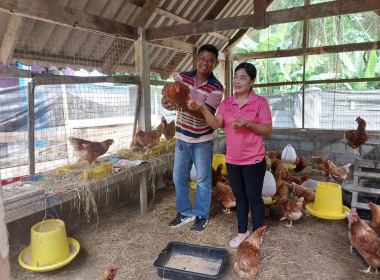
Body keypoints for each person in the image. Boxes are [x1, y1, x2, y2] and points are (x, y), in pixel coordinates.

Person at [187, 62, 272, 246]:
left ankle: (257, 234)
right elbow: (216, 124)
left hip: (254, 160)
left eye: (243, 77)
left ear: (252, 81)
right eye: (235, 76)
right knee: (240, 198)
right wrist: (203, 108)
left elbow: (267, 130)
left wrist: (247, 123)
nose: (237, 81)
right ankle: (242, 232)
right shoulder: (227, 103)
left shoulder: (260, 103)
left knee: (254, 198)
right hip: (233, 160)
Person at [162, 44, 224, 232]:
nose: (206, 63)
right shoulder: (183, 77)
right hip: (182, 136)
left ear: (215, 63)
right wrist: (166, 102)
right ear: (198, 58)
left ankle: (201, 215)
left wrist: (184, 104)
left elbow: (206, 115)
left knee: (203, 179)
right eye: (203, 58)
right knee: (178, 176)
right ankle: (184, 212)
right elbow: (169, 98)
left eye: (210, 60)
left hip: (202, 139)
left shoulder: (216, 88)